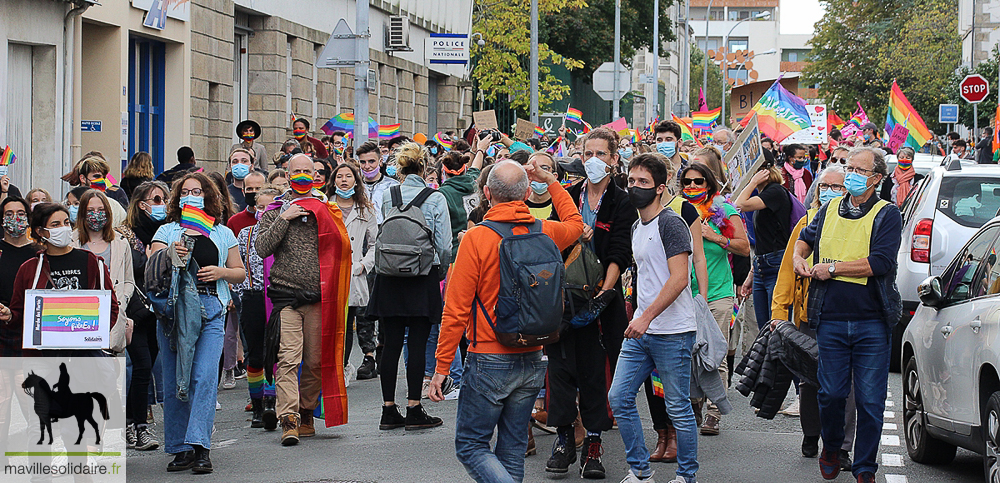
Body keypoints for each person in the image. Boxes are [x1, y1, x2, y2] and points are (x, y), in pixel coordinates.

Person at [427, 158, 583, 483]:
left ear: (487, 192)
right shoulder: (546, 231)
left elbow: (455, 309)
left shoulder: (477, 238)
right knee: (511, 448)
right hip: (533, 354)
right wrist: (550, 180)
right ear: (527, 192)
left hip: (489, 356)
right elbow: (575, 222)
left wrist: (442, 368)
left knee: (471, 446)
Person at [791, 147, 902, 483]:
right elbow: (804, 241)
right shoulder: (827, 210)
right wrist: (798, 258)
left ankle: (865, 467)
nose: (850, 173)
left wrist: (833, 268)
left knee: (870, 401)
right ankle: (832, 446)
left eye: (859, 169)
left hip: (872, 321)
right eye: (847, 167)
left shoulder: (887, 214)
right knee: (831, 393)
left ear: (876, 179)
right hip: (831, 319)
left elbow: (880, 262)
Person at [546, 127, 638, 478]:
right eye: (587, 154)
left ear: (614, 160)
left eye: (601, 154)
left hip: (601, 302)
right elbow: (551, 243)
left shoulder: (622, 200)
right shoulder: (568, 195)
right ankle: (565, 437)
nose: (593, 161)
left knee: (595, 374)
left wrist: (605, 292)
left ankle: (594, 443)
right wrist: (571, 236)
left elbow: (619, 252)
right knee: (560, 370)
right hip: (564, 300)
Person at [608, 153, 699, 483]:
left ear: (660, 188)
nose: (635, 187)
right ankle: (640, 470)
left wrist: (645, 317)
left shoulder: (671, 223)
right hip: (641, 331)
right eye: (631, 181)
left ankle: (687, 476)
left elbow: (679, 278)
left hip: (672, 331)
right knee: (619, 397)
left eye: (643, 183)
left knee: (677, 408)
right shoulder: (636, 225)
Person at [148, 172, 246, 473]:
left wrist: (221, 273)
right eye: (187, 191)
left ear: (209, 196)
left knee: (204, 378)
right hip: (175, 312)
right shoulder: (167, 230)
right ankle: (180, 447)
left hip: (212, 308)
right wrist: (169, 253)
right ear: (178, 199)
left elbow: (240, 272)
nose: (192, 195)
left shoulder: (221, 232)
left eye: (198, 191)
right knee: (177, 379)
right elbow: (152, 265)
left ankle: (201, 446)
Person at [255, 154, 352, 446]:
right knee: (287, 359)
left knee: (314, 361)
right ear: (286, 173)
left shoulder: (328, 207)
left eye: (306, 171)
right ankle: (289, 419)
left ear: (316, 174)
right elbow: (262, 247)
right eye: (296, 171)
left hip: (319, 299)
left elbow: (342, 248)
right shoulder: (275, 210)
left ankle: (306, 410)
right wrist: (284, 219)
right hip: (286, 297)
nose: (301, 175)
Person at [771, 165, 857, 471]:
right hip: (809, 315)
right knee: (809, 380)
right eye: (825, 186)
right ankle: (811, 433)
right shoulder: (807, 222)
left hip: (847, 314)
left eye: (837, 187)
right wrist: (779, 314)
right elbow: (786, 269)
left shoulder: (859, 223)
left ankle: (842, 447)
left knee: (845, 385)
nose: (829, 192)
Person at [366, 142, 451, 432]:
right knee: (417, 344)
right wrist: (441, 268)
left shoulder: (389, 194)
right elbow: (444, 243)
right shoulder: (435, 197)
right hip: (421, 274)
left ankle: (388, 409)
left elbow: (383, 230)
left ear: (399, 168)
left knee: (389, 344)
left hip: (389, 275)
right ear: (426, 167)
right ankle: (414, 407)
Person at [678, 163, 750, 436]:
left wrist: (716, 237)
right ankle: (695, 402)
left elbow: (744, 248)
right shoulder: (678, 210)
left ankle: (713, 413)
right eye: (687, 182)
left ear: (708, 184)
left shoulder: (723, 211)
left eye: (698, 182)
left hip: (718, 293)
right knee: (686, 354)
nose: (693, 187)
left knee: (714, 354)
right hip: (684, 292)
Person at [71, 189, 144, 439]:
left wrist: (119, 303)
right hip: (80, 320)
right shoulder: (72, 242)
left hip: (112, 318)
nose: (96, 215)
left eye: (101, 210)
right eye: (90, 210)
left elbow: (128, 281)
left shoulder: (120, 243)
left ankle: (113, 429)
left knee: (113, 376)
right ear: (82, 214)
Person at [235, 186, 282, 430]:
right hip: (253, 297)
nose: (264, 212)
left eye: (269, 207)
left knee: (275, 352)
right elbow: (241, 266)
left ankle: (272, 401)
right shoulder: (245, 234)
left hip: (277, 297)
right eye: (260, 207)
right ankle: (256, 405)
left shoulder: (285, 231)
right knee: (255, 354)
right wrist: (242, 294)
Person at [331, 163, 378, 385]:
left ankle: (343, 366)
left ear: (355, 181)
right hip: (329, 272)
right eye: (339, 176)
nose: (343, 180)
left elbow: (375, 244)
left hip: (352, 273)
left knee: (346, 324)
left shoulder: (365, 210)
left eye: (348, 176)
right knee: (330, 324)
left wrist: (362, 265)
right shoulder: (326, 206)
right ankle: (331, 367)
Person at [735, 154, 792, 329]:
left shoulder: (775, 191)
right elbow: (763, 239)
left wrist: (752, 182)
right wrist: (751, 274)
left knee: (776, 327)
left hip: (776, 264)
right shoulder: (765, 193)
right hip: (761, 265)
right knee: (764, 328)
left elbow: (739, 204)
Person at [0, 196, 34, 357]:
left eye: (21, 213)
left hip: (32, 326)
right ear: (2, 221)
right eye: (9, 214)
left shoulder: (40, 252)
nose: (15, 218)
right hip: (2, 326)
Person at [358, 140, 399, 225]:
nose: (367, 166)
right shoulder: (355, 186)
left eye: (371, 161)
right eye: (363, 162)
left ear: (380, 161)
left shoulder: (393, 186)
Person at [125, 180, 171, 253]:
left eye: (165, 200)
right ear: (142, 205)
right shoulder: (127, 235)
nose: (162, 204)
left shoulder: (171, 230)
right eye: (157, 199)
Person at [227, 171, 267, 236]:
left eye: (258, 189)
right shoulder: (234, 222)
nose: (254, 192)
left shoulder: (274, 219)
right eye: (249, 189)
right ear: (243, 192)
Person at [525, 151, 559, 219]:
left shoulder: (561, 204)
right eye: (533, 168)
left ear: (554, 176)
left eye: (544, 168)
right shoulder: (518, 202)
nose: (538, 173)